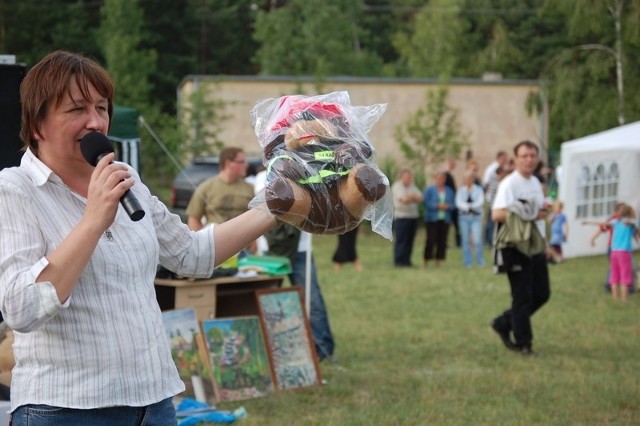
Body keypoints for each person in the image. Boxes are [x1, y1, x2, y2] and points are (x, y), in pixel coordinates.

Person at [0, 50, 278, 425]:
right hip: (65, 410)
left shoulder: (123, 176)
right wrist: (93, 220)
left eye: (102, 107)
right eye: (76, 110)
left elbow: (192, 254)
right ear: (37, 125)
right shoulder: (14, 190)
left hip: (154, 402)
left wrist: (274, 207)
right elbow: (20, 309)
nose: (96, 122)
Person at [254, 171, 335, 361]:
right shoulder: (263, 176)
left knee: (312, 300)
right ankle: (267, 350)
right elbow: (269, 205)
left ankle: (322, 349)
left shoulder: (306, 173)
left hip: (301, 250)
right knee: (267, 301)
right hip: (271, 252)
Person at [490, 140, 551, 356]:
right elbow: (497, 214)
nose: (529, 159)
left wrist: (545, 243)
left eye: (532, 155)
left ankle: (504, 322)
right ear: (515, 159)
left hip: (534, 245)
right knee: (522, 297)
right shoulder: (510, 184)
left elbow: (538, 215)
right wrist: (529, 213)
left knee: (542, 294)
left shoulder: (535, 182)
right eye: (524, 156)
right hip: (515, 246)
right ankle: (525, 344)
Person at [186, 147, 255, 230]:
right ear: (229, 163)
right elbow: (194, 218)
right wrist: (202, 241)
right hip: (215, 238)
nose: (246, 165)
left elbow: (254, 219)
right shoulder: (206, 187)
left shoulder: (250, 188)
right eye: (242, 162)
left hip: (244, 237)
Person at [601, 203, 638, 302]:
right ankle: (624, 299)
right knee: (625, 275)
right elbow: (636, 228)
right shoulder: (633, 222)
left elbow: (606, 223)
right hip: (624, 252)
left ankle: (615, 298)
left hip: (614, 252)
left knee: (615, 274)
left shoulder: (616, 222)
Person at [391, 168, 423, 267]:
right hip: (402, 217)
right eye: (407, 177)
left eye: (410, 177)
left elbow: (421, 197)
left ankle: (407, 261)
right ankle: (399, 261)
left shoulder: (412, 186)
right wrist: (413, 197)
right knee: (401, 240)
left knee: (410, 240)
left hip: (413, 217)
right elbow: (403, 200)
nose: (409, 179)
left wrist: (411, 197)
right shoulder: (397, 186)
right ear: (402, 177)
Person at [422, 171, 455, 267]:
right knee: (430, 240)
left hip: (445, 219)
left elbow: (453, 204)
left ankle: (438, 260)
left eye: (442, 178)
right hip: (432, 219)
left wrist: (447, 206)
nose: (440, 180)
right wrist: (436, 206)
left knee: (442, 240)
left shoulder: (449, 191)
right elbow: (426, 203)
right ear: (435, 179)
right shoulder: (429, 190)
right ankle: (426, 259)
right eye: (439, 178)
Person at [455, 171, 485, 267]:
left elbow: (480, 201)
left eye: (469, 179)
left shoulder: (479, 190)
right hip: (464, 218)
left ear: (473, 180)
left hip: (476, 217)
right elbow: (459, 202)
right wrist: (468, 207)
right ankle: (468, 262)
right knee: (465, 240)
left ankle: (480, 260)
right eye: (465, 179)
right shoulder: (461, 190)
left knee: (477, 240)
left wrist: (471, 207)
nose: (467, 181)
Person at [443, 158, 460, 247]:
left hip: (454, 204)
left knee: (457, 224)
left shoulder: (451, 175)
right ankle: (445, 243)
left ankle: (458, 242)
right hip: (448, 204)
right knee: (446, 225)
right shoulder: (446, 175)